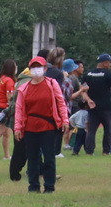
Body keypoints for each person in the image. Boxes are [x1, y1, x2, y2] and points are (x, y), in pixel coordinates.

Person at [14, 55, 69, 194]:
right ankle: (33, 186)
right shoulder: (24, 88)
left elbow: (60, 102)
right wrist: (18, 128)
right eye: (34, 67)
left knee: (49, 157)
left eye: (39, 67)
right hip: (30, 127)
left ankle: (49, 186)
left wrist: (65, 120)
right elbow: (19, 109)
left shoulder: (51, 84)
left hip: (48, 126)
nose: (36, 70)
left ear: (45, 69)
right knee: (32, 158)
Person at [81, 54, 111, 156]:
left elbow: (82, 90)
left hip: (92, 106)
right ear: (104, 63)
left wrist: (88, 100)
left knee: (91, 130)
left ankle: (89, 151)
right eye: (109, 62)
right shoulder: (109, 74)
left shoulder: (88, 74)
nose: (110, 64)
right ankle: (106, 151)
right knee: (108, 129)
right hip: (106, 107)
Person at [0, 60, 17, 163]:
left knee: (7, 133)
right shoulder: (9, 80)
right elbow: (9, 96)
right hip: (5, 108)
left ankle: (7, 155)